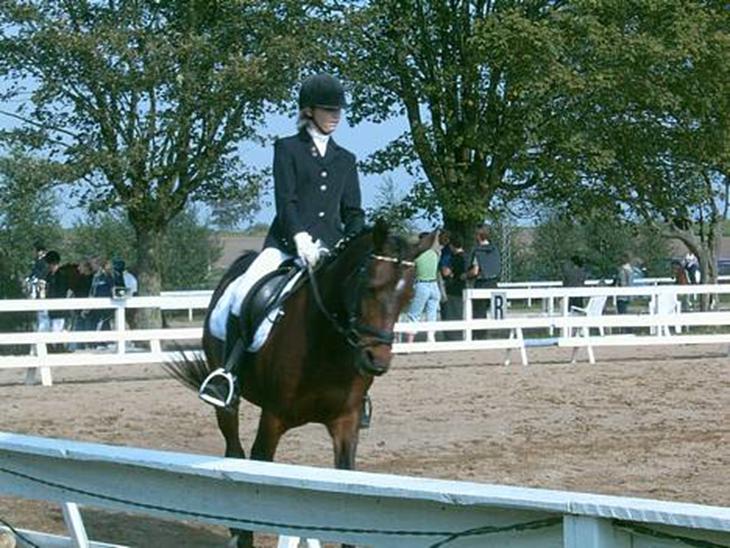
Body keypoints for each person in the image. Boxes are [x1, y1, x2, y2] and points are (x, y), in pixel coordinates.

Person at [200, 73, 365, 408]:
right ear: (308, 111)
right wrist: (300, 238)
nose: (335, 116)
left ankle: (357, 387)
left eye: (338, 110)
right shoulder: (288, 149)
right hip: (287, 246)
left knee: (360, 305)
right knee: (242, 295)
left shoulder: (346, 159)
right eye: (328, 110)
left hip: (331, 251)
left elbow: (353, 211)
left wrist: (353, 243)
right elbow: (285, 201)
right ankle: (228, 374)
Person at [404, 232, 441, 343]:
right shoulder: (434, 254)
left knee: (414, 314)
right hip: (434, 285)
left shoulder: (418, 255)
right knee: (432, 314)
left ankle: (409, 343)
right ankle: (431, 339)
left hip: (422, 284)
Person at [466, 225, 501, 339]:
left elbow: (475, 271)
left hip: (482, 283)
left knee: (478, 312)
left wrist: (465, 275)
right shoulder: (495, 250)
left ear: (478, 236)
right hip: (494, 283)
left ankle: (479, 336)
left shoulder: (478, 251)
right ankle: (486, 334)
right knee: (488, 310)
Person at [440, 235, 468, 340]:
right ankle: (460, 334)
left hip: (453, 288)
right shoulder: (467, 256)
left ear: (452, 246)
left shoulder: (454, 258)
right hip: (464, 288)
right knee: (461, 312)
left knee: (450, 313)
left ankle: (451, 336)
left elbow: (446, 272)